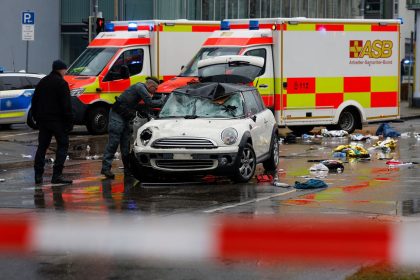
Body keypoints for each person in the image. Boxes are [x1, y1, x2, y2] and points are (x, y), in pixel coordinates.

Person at [101, 77, 164, 179]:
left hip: (124, 116)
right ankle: (105, 168)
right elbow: (150, 103)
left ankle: (127, 169)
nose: (155, 91)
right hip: (117, 115)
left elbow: (136, 104)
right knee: (114, 142)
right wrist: (162, 101)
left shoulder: (139, 88)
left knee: (126, 144)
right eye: (155, 89)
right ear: (151, 86)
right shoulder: (140, 87)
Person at [32, 60, 73, 185]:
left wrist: (36, 118)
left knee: (42, 147)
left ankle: (38, 176)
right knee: (63, 145)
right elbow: (66, 106)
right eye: (65, 70)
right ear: (61, 69)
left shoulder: (42, 82)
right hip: (58, 122)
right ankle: (57, 175)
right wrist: (69, 123)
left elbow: (34, 101)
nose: (65, 72)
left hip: (43, 121)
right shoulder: (62, 84)